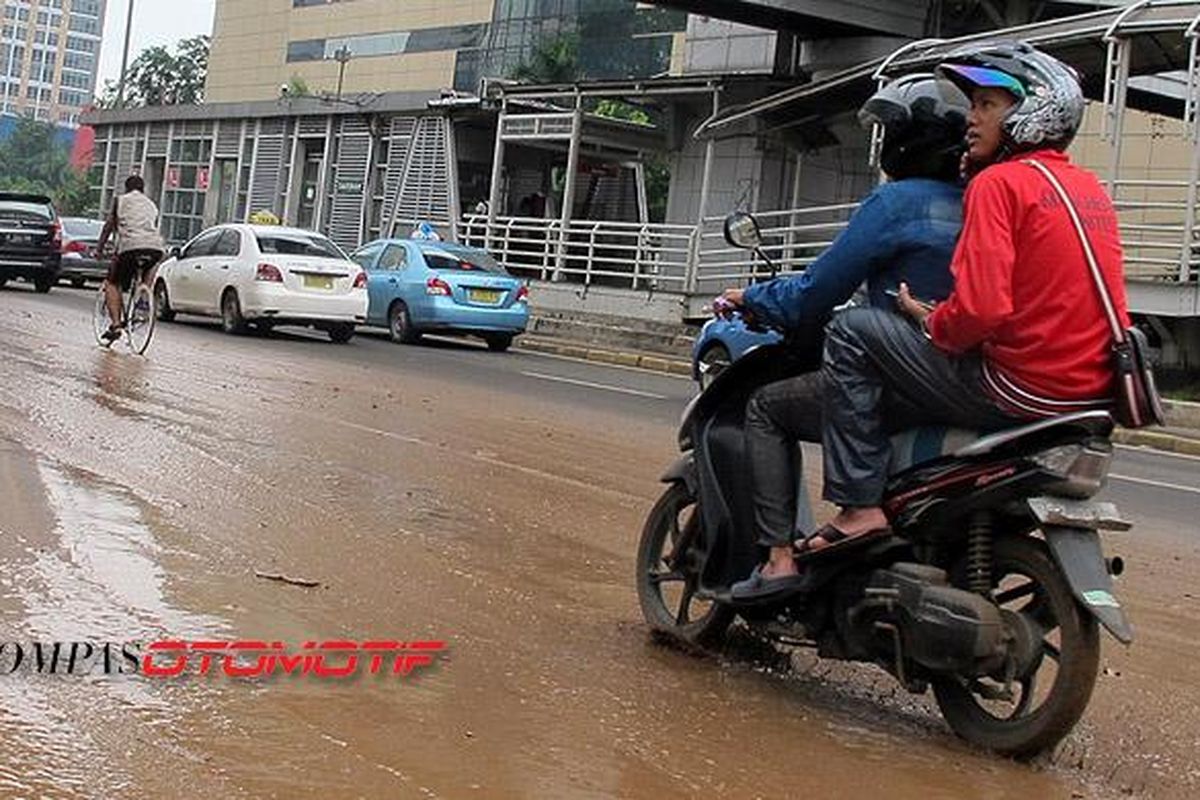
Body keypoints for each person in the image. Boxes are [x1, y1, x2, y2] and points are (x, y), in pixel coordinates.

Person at [814, 41, 1129, 555]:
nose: (971, 119)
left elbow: (982, 309)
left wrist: (930, 323)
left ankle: (857, 507)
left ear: (1031, 112)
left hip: (1019, 389)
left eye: (986, 105)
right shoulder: (1087, 188)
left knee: (852, 331)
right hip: (1087, 396)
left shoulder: (998, 184)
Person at [721, 74, 970, 600]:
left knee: (765, 408)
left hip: (900, 382)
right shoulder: (986, 202)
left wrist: (752, 297)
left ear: (907, 140)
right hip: (968, 382)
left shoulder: (897, 202)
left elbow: (818, 291)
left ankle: (779, 560)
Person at [96, 175, 165, 345]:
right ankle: (143, 294)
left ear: (126, 189)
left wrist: (99, 248)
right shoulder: (151, 204)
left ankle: (116, 325)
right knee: (151, 264)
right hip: (155, 247)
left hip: (130, 247)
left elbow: (109, 226)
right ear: (143, 190)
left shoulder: (120, 200)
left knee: (112, 282)